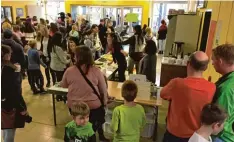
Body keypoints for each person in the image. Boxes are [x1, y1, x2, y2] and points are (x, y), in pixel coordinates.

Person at [160, 51, 216, 142]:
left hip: (174, 134)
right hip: (196, 136)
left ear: (188, 63)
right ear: (205, 68)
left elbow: (162, 94)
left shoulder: (176, 83)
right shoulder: (212, 87)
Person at [60, 46, 109, 141]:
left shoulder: (69, 71)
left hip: (75, 106)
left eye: (75, 55)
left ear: (78, 57)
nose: (73, 57)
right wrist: (105, 101)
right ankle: (97, 136)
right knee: (92, 127)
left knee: (80, 124)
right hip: (93, 106)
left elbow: (63, 85)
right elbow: (103, 90)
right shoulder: (96, 71)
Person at [1, 45, 27, 142]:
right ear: (6, 55)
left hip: (3, 102)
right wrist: (22, 107)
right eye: (10, 54)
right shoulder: (9, 70)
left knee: (5, 128)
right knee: (10, 129)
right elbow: (14, 91)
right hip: (9, 104)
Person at [211, 44, 234, 142]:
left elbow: (219, 118)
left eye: (213, 60)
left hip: (222, 137)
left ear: (220, 61)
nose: (212, 63)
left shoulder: (226, 89)